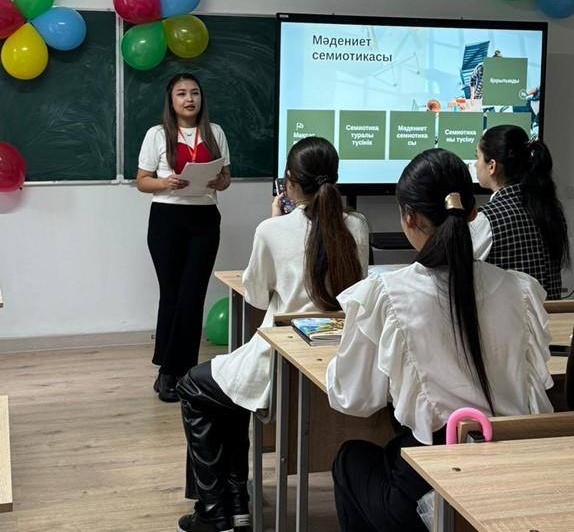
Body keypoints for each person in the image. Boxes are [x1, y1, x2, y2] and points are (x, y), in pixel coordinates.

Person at [328, 148, 553, 532]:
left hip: (438, 478)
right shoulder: (521, 290)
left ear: (409, 218)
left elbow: (353, 397)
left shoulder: (386, 294)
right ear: (472, 212)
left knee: (351, 459)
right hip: (515, 468)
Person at [175, 136, 370, 532]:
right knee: (226, 394)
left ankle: (215, 512)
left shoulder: (272, 229)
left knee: (193, 388)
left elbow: (257, 296)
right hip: (338, 361)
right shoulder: (358, 225)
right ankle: (236, 504)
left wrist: (275, 220)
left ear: (290, 183)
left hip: (281, 361)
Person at [137, 73, 230, 403]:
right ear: (171, 100)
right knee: (172, 295)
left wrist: (219, 182)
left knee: (193, 295)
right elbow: (142, 180)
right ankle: (168, 371)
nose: (189, 99)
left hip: (204, 219)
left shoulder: (215, 132)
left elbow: (226, 177)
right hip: (167, 218)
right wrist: (166, 183)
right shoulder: (157, 134)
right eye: (181, 93)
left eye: (194, 93)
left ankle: (181, 369)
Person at [470, 124, 569, 300]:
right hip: (552, 316)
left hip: (509, 317)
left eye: (477, 157)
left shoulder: (487, 219)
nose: (475, 164)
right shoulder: (551, 210)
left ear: (492, 166)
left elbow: (453, 271)